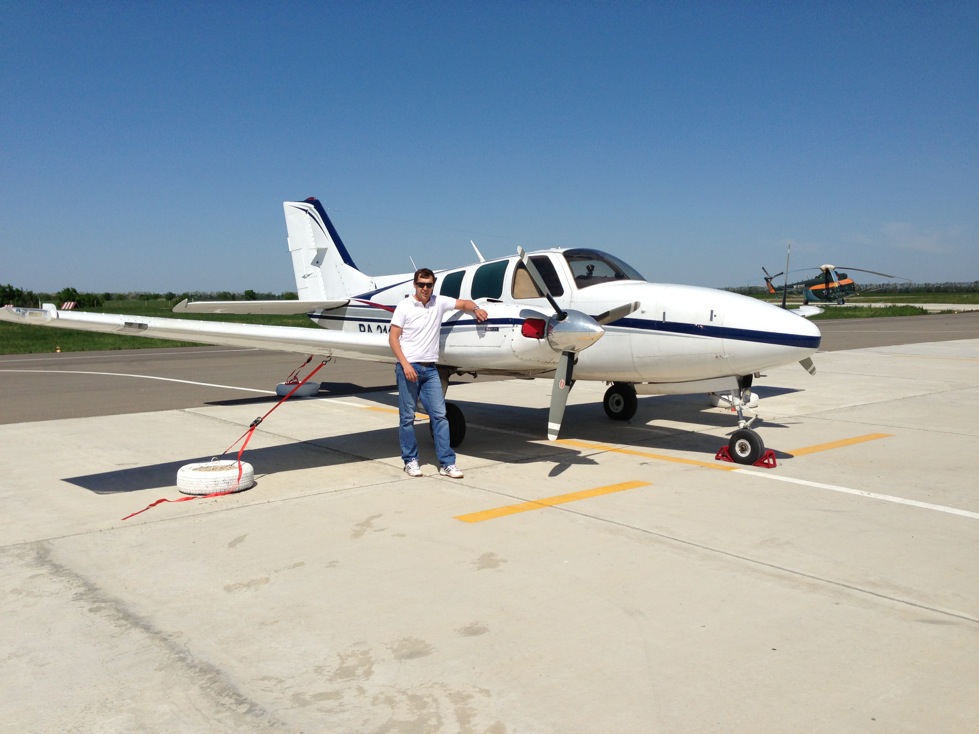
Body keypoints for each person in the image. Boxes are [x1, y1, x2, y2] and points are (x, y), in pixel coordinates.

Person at [388, 268, 488, 478]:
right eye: (421, 284)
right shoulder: (404, 306)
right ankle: (410, 460)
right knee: (407, 418)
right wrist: (405, 365)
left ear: (433, 285)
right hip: (409, 368)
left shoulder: (439, 302)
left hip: (431, 370)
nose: (425, 288)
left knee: (440, 416)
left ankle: (447, 463)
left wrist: (476, 309)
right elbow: (393, 338)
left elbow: (464, 303)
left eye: (429, 285)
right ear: (415, 285)